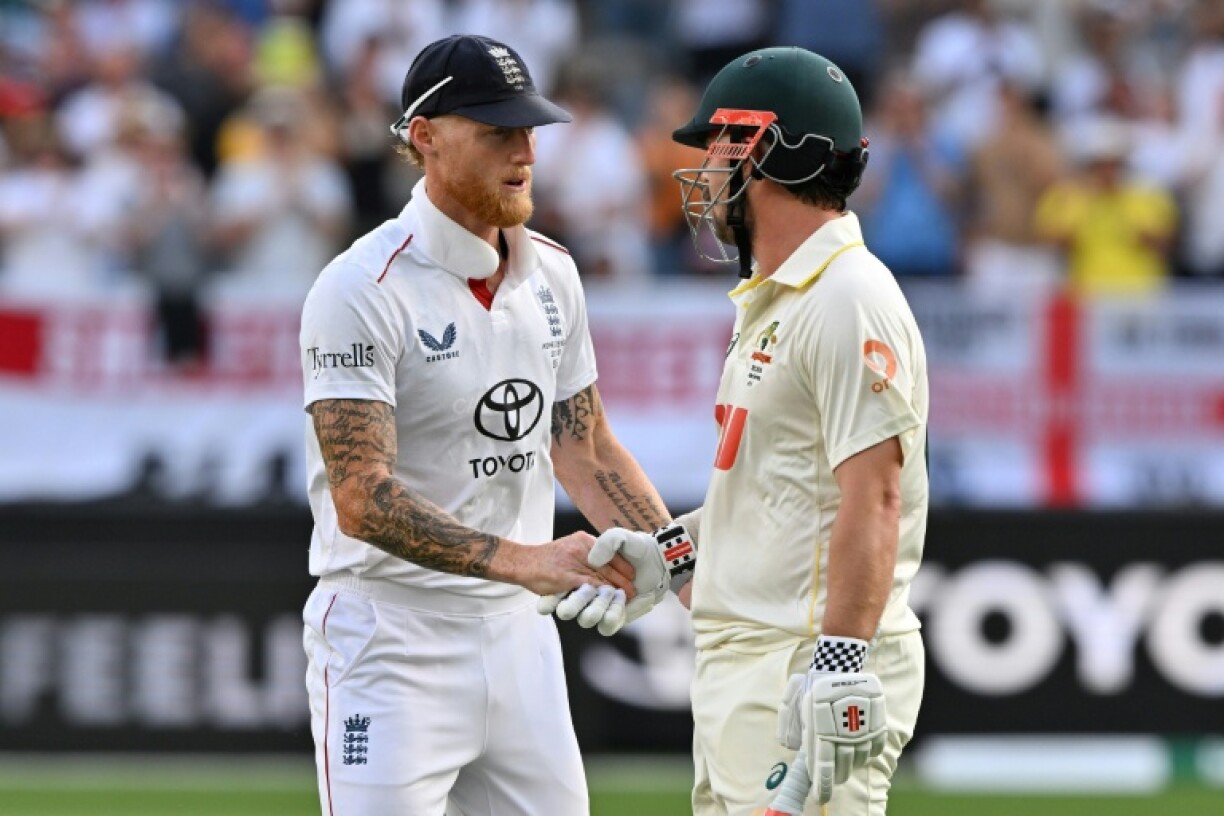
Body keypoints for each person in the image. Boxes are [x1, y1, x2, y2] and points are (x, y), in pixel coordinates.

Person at [544, 46, 930, 816]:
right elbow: (774, 498)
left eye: (715, 145)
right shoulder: (779, 299)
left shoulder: (847, 295)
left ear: (764, 146)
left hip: (797, 663)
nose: (704, 169)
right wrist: (674, 557)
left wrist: (841, 660)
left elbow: (875, 497)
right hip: (746, 662)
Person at [298, 34, 671, 815]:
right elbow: (361, 497)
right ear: (425, 137)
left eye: (529, 130)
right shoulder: (359, 287)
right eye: (497, 131)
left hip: (518, 638)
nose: (523, 152)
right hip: (389, 637)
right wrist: (526, 560)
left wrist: (685, 574)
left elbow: (586, 446)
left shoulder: (554, 273)